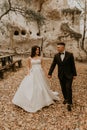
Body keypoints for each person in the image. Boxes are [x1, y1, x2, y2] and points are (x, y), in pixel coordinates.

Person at [12, 45, 59, 113]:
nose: (38, 51)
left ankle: (42, 100)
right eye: (36, 50)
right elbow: (28, 66)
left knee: (41, 86)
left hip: (39, 73)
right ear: (33, 50)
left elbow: (43, 67)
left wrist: (47, 74)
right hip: (33, 73)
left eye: (38, 50)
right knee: (30, 86)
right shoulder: (29, 58)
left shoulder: (41, 58)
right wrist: (28, 72)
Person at [48, 42, 77, 111]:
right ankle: (66, 98)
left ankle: (69, 103)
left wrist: (74, 74)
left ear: (63, 47)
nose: (57, 48)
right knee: (63, 88)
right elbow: (53, 65)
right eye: (57, 47)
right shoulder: (56, 56)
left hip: (69, 75)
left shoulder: (70, 55)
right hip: (61, 75)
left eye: (58, 47)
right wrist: (50, 73)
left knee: (68, 88)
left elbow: (73, 65)